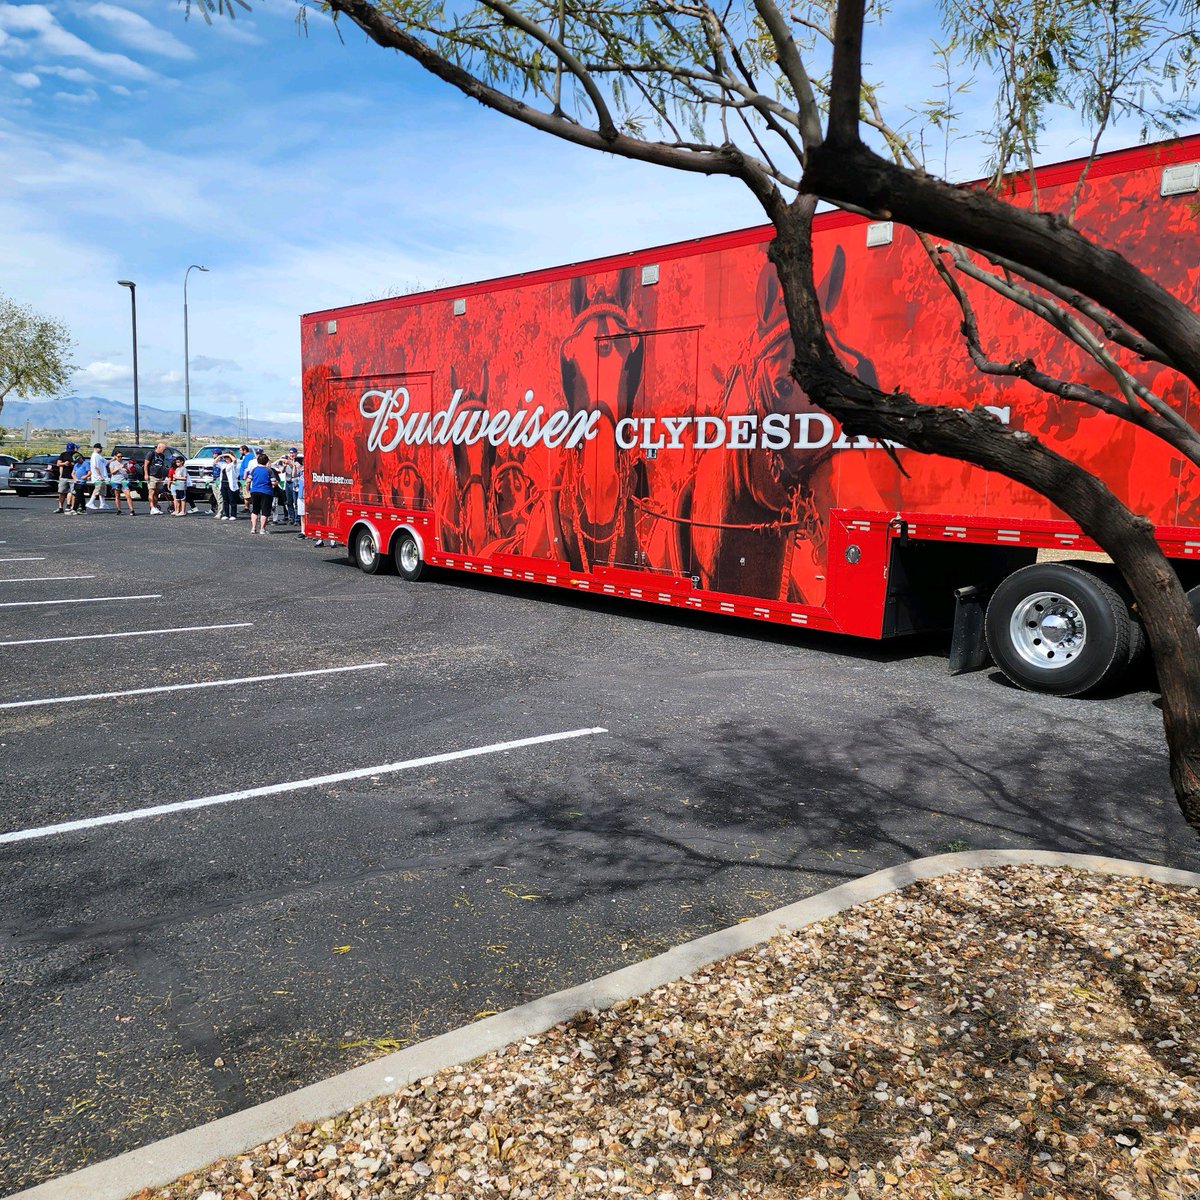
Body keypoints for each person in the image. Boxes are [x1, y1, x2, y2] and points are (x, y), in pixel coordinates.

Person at [246, 451, 276, 535]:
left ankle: (253, 528)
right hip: (266, 491)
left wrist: (248, 490)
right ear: (266, 461)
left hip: (255, 491)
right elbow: (273, 482)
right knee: (265, 511)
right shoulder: (269, 471)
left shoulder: (254, 470)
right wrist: (273, 486)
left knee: (255, 510)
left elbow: (248, 481)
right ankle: (262, 529)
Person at [144, 442, 170, 514]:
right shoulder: (151, 453)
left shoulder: (162, 456)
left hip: (159, 476)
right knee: (151, 491)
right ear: (159, 447)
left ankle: (155, 507)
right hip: (152, 475)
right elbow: (146, 464)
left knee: (157, 492)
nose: (164, 451)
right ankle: (151, 507)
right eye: (164, 449)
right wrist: (146, 474)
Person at [52, 442, 77, 514]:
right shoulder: (63, 454)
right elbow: (58, 463)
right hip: (64, 476)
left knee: (73, 493)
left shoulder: (77, 455)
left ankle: (73, 508)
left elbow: (81, 463)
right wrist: (64, 463)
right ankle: (60, 507)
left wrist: (73, 464)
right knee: (61, 492)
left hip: (73, 477)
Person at [86, 442, 110, 510]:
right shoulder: (94, 456)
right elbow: (96, 467)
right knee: (97, 489)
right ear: (95, 448)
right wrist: (100, 476)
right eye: (99, 448)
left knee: (102, 490)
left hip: (102, 476)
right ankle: (90, 502)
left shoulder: (99, 456)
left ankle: (103, 504)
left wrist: (114, 459)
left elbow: (106, 462)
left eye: (101, 448)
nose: (101, 449)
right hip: (98, 477)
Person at [218, 452, 240, 520]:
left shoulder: (233, 465)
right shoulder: (223, 465)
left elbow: (234, 460)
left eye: (227, 458)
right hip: (223, 483)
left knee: (232, 500)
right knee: (225, 500)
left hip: (230, 484)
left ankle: (233, 515)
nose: (226, 459)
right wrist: (221, 456)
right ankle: (226, 514)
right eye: (225, 458)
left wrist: (229, 455)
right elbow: (215, 462)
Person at [238, 445, 256, 512]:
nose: (240, 452)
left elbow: (246, 468)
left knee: (246, 493)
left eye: (240, 450)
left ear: (244, 450)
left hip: (246, 478)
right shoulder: (250, 456)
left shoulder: (248, 457)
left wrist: (244, 478)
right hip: (248, 477)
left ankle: (246, 508)